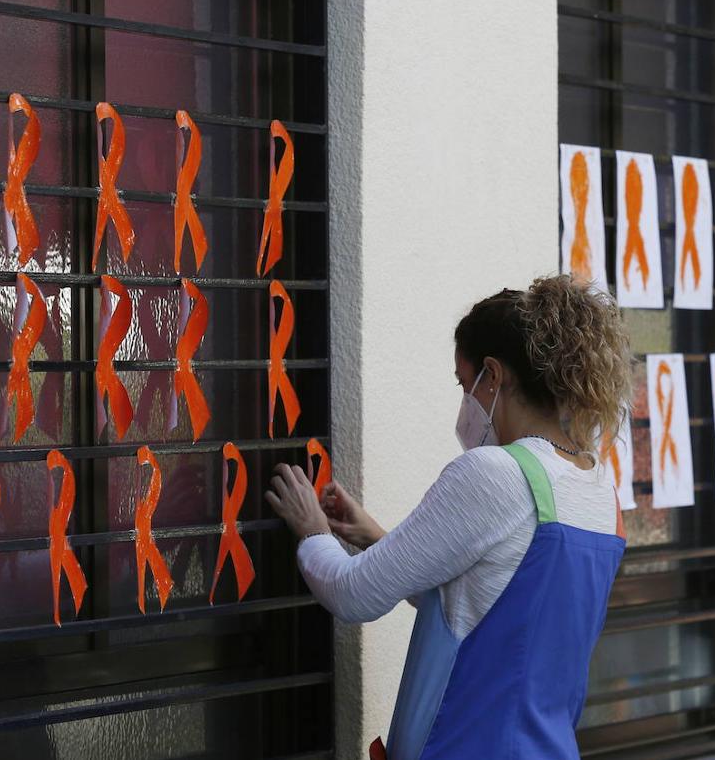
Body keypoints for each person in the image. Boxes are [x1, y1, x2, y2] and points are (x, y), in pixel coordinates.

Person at [264, 274, 632, 759]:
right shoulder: (600, 490)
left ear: (495, 376)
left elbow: (352, 595)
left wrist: (312, 531)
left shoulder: (496, 473)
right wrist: (375, 537)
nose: (466, 404)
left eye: (466, 384)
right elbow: (489, 606)